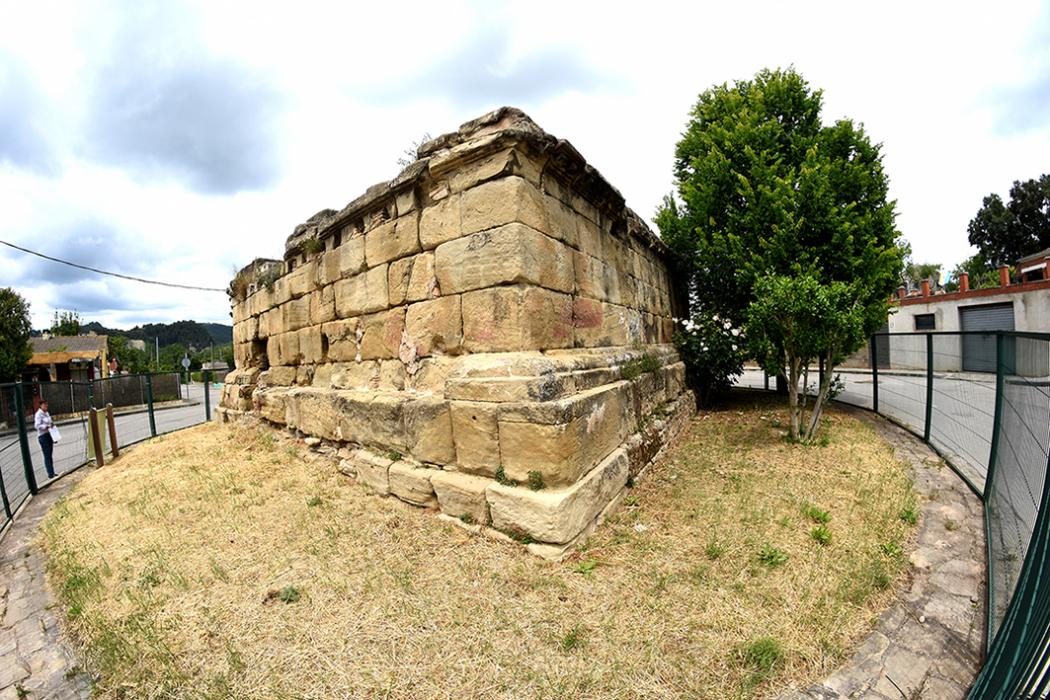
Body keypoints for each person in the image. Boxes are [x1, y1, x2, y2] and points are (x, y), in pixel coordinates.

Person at [34, 399, 55, 479]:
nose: (46, 406)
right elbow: (37, 426)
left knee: (50, 454)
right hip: (43, 436)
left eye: (47, 405)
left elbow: (49, 421)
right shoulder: (38, 414)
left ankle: (52, 472)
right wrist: (46, 426)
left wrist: (51, 425)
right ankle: (50, 473)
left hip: (49, 434)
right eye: (44, 405)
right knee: (47, 455)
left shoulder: (47, 413)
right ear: (41, 405)